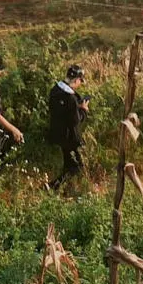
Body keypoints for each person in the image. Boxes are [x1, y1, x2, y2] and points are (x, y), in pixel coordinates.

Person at [47, 63, 89, 191]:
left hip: (58, 134)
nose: (79, 84)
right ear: (76, 80)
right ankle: (53, 186)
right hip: (70, 137)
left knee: (68, 164)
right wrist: (83, 110)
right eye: (80, 81)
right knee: (76, 166)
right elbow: (75, 121)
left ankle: (60, 188)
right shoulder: (70, 98)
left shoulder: (55, 90)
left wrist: (77, 106)